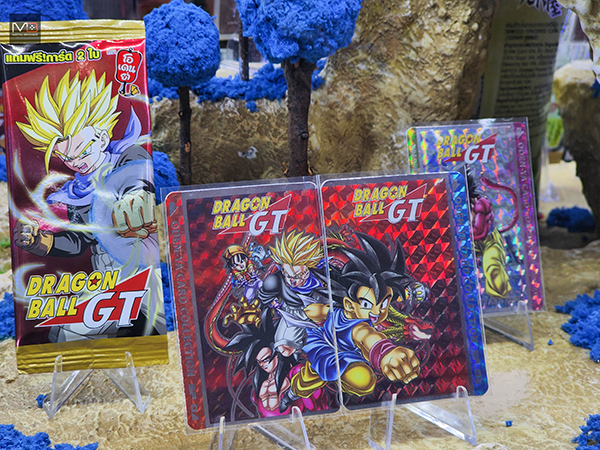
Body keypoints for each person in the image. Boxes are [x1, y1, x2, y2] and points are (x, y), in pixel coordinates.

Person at [12, 69, 164, 341]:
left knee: (151, 327)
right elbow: (79, 241)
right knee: (64, 334)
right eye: (68, 159)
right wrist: (41, 241)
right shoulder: (76, 192)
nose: (77, 162)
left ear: (102, 139)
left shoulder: (127, 158)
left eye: (83, 152)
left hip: (141, 272)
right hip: (105, 279)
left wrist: (134, 196)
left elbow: (136, 176)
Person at [279, 232, 421, 411]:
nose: (376, 311)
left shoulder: (358, 321)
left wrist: (387, 353)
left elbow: (368, 336)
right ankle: (292, 394)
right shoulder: (343, 312)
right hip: (323, 342)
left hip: (350, 351)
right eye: (368, 304)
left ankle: (329, 387)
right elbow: (358, 331)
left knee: (362, 380)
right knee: (314, 376)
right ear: (349, 304)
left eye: (383, 304)